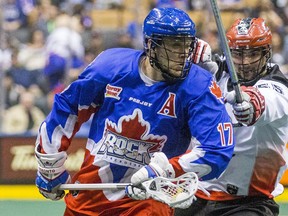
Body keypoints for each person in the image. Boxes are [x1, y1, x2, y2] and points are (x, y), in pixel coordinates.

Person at [34, 8, 235, 216]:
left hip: (149, 201)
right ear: (151, 45)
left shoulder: (199, 86)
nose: (183, 53)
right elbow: (68, 108)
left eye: (187, 44)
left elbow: (217, 150)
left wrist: (162, 170)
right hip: (90, 198)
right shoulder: (110, 66)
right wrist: (50, 167)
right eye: (175, 45)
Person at [175, 17, 288, 216]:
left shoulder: (279, 86)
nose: (244, 62)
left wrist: (252, 103)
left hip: (249, 203)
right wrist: (185, 51)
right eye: (237, 53)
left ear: (266, 52)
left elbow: (266, 101)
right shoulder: (214, 72)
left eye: (253, 53)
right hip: (195, 194)